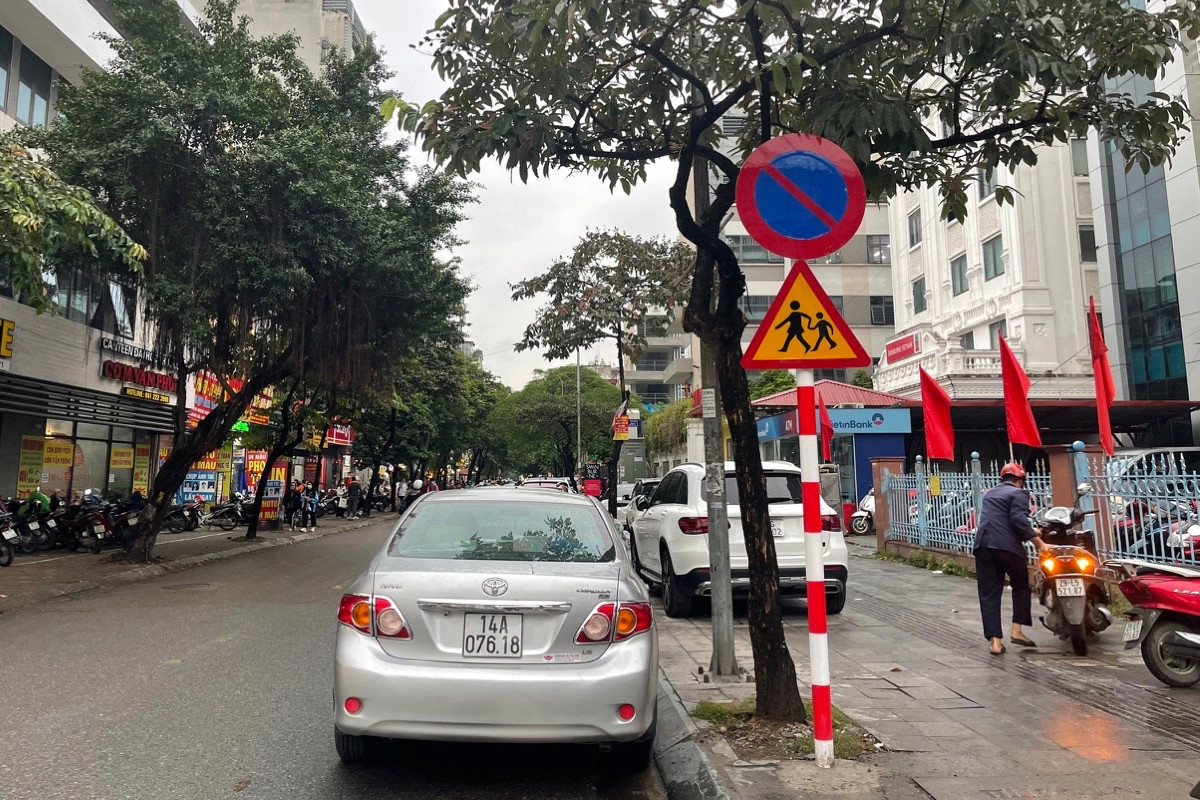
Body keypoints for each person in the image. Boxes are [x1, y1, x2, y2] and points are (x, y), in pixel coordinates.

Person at [973, 463, 1049, 655]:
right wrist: (1040, 544)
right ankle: (1016, 631)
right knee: (1021, 586)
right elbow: (1018, 521)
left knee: (989, 594)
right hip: (1007, 547)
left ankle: (996, 643)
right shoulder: (1019, 493)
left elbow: (1000, 519)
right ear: (1020, 480)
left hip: (983, 545)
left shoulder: (990, 493)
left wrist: (1031, 531)